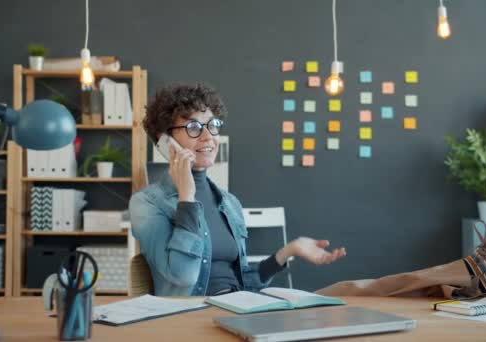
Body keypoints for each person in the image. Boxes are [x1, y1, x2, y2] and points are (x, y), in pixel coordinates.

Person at [129, 83, 346, 296]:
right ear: (165, 141)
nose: (209, 137)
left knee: (341, 296)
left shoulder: (229, 203)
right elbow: (183, 275)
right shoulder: (147, 203)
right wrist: (187, 198)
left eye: (212, 125)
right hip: (190, 319)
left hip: (236, 309)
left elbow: (244, 283)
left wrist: (290, 250)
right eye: (193, 127)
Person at [316, 193, 486, 300]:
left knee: (356, 291)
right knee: (355, 292)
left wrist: (286, 253)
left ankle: (485, 275)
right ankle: (483, 273)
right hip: (286, 310)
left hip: (288, 301)